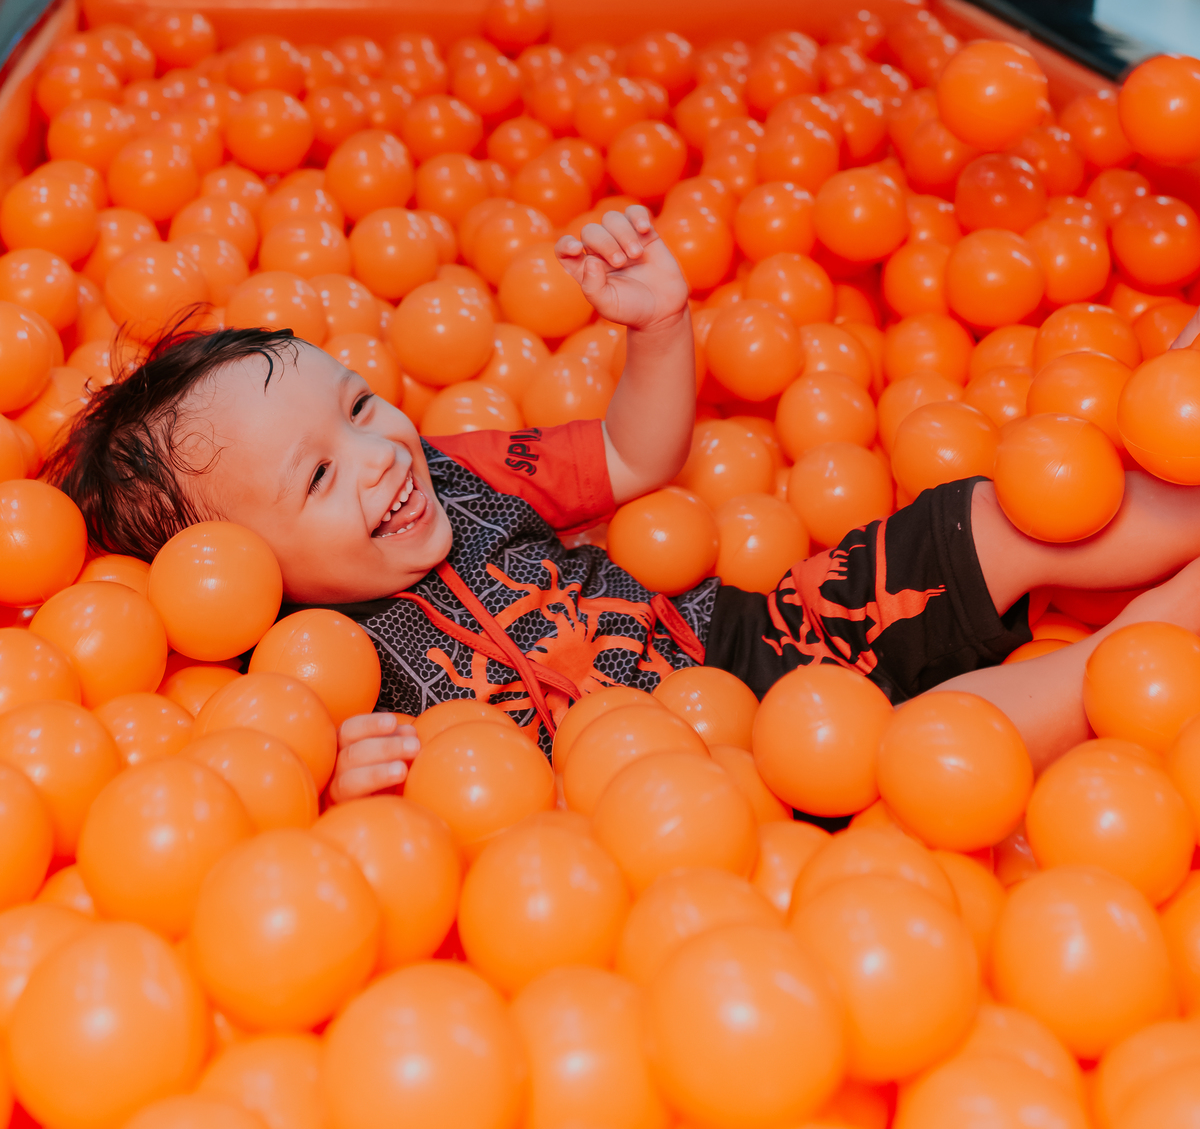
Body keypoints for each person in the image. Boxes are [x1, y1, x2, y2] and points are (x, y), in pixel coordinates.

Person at [47, 204, 1200, 808]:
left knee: (979, 522)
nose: (377, 454)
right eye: (315, 476)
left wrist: (656, 325)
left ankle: (1182, 496)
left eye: (357, 406)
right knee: (939, 747)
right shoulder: (303, 676)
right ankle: (1178, 623)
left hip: (751, 636)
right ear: (238, 578)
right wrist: (341, 780)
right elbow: (293, 794)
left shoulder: (462, 466)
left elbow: (633, 457)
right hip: (699, 799)